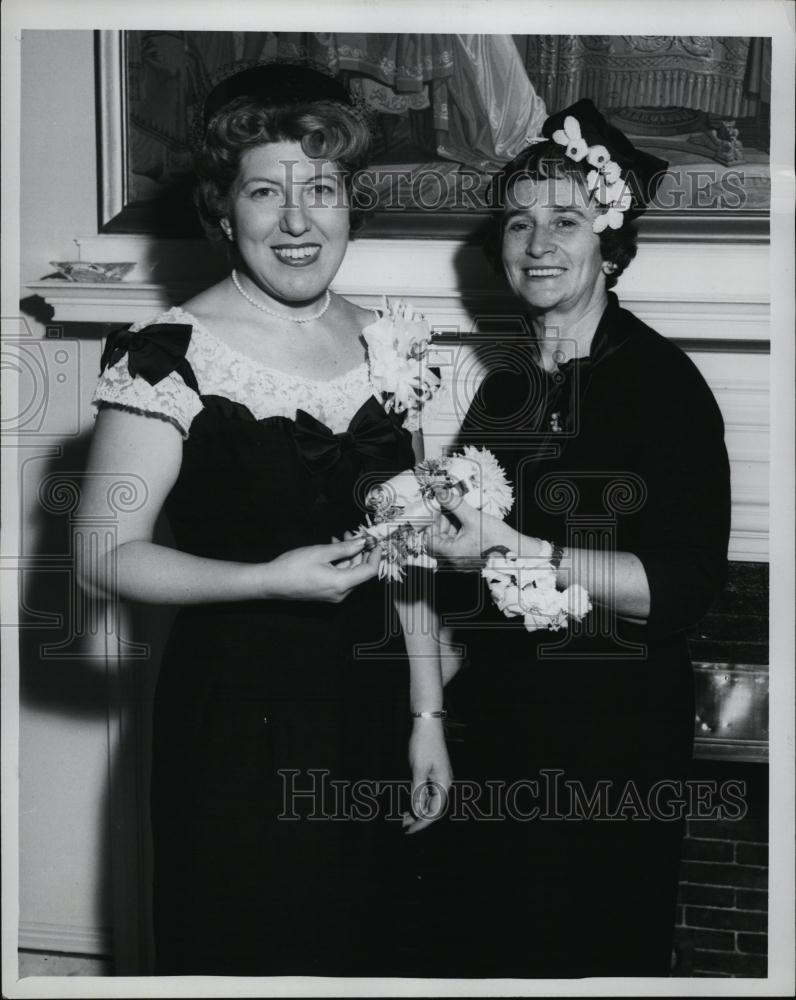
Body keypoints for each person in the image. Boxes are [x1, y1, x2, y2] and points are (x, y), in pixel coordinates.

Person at [81, 63, 450, 976]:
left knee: (370, 950)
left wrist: (427, 712)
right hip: (235, 719)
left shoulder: (391, 341)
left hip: (365, 711)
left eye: (320, 190)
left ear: (348, 205)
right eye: (265, 192)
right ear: (223, 209)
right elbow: (103, 554)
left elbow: (410, 551)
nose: (298, 221)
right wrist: (264, 579)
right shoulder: (169, 353)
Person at [425, 99, 731, 977]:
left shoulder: (663, 385)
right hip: (502, 721)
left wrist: (512, 545)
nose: (537, 243)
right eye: (519, 222)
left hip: (614, 738)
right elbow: (460, 572)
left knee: (590, 958)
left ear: (610, 238)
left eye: (565, 220)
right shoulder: (505, 391)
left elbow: (680, 587)